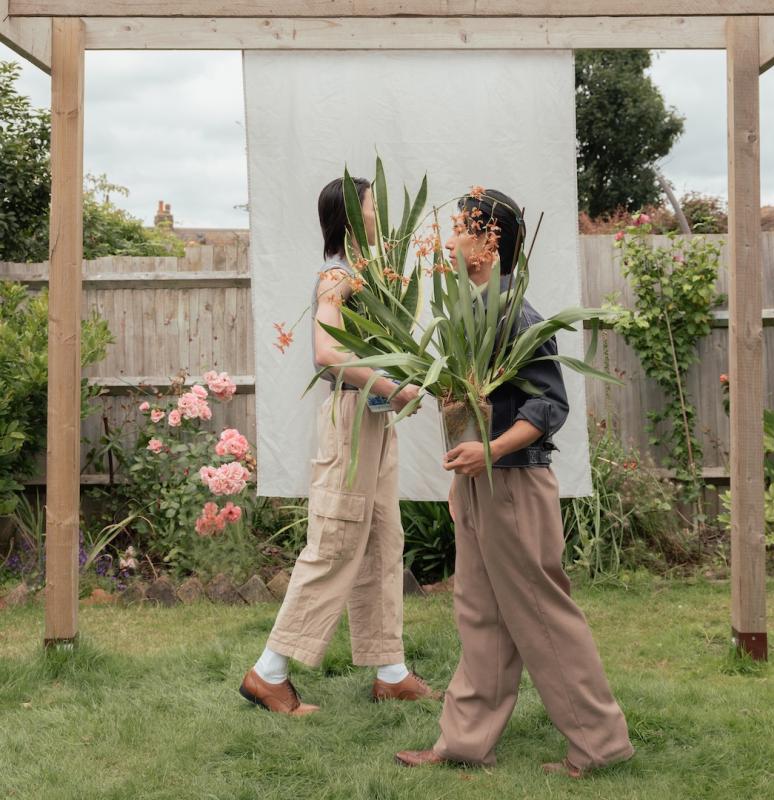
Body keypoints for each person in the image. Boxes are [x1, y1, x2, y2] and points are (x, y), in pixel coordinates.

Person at [395, 189, 635, 776]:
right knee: (479, 613)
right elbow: (468, 407)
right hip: (481, 487)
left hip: (517, 487)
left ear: (487, 243)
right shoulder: (469, 314)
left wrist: (491, 452)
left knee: (542, 614)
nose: (449, 241)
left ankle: (599, 743)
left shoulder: (516, 318)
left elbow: (549, 406)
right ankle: (465, 743)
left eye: (459, 230)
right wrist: (462, 481)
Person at [240, 176, 440, 715]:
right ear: (353, 214)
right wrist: (392, 386)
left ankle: (390, 669)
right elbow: (327, 352)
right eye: (373, 202)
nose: (381, 210)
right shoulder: (337, 277)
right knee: (335, 540)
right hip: (353, 419)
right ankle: (268, 672)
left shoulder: (367, 276)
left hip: (373, 423)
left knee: (381, 540)